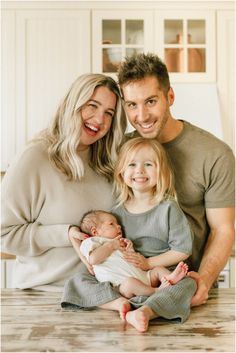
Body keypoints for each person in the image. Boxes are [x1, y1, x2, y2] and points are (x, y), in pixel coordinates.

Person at [61, 53, 234, 331]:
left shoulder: (215, 154)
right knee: (80, 282)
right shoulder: (120, 151)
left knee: (183, 286)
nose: (141, 116)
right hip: (123, 284)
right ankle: (123, 306)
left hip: (175, 282)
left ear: (170, 97)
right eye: (131, 104)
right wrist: (75, 234)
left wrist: (204, 279)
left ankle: (155, 305)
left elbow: (223, 230)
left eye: (151, 101)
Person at [1, 73, 127, 291]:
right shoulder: (35, 157)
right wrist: (65, 233)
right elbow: (4, 234)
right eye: (92, 106)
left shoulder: (108, 161)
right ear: (73, 104)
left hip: (103, 296)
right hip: (45, 295)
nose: (99, 120)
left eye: (109, 113)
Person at [79, 209, 189, 303]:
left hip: (144, 277)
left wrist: (130, 249)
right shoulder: (91, 242)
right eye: (111, 224)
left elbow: (132, 260)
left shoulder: (120, 241)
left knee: (158, 269)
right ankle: (157, 291)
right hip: (122, 287)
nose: (118, 226)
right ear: (95, 231)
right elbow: (93, 259)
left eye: (118, 224)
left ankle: (171, 278)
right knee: (130, 283)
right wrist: (111, 245)